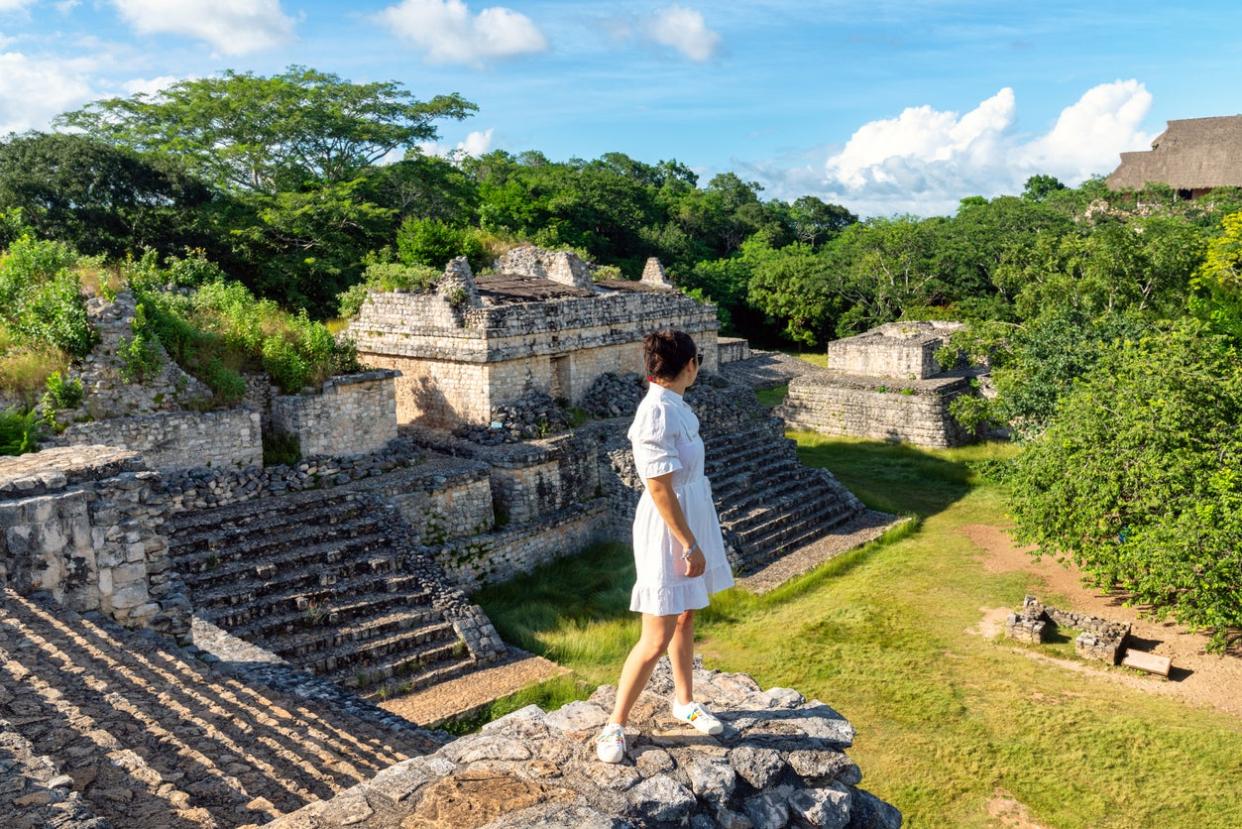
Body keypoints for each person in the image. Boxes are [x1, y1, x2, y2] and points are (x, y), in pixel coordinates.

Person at [596, 329, 736, 764]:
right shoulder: (656, 412)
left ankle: (684, 699)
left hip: (690, 513)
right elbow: (658, 488)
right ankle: (615, 723)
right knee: (655, 634)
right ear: (690, 365)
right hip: (668, 527)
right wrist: (689, 544)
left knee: (686, 612)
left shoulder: (676, 406)